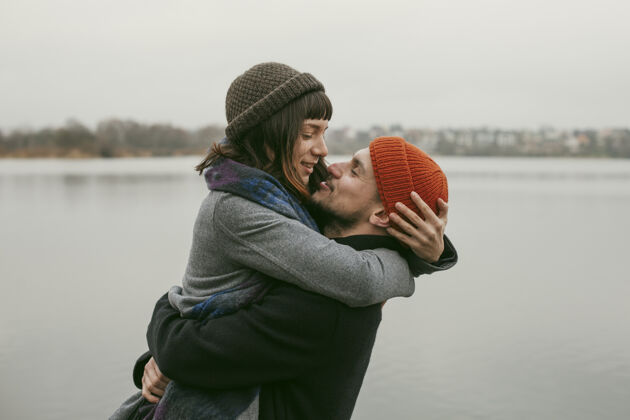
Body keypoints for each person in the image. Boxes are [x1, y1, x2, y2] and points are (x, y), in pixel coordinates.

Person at [110, 62, 455, 419]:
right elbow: (362, 268)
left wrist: (165, 316)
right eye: (309, 133)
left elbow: (201, 349)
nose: (326, 156)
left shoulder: (326, 286)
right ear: (271, 134)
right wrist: (423, 257)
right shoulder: (259, 206)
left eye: (352, 168)